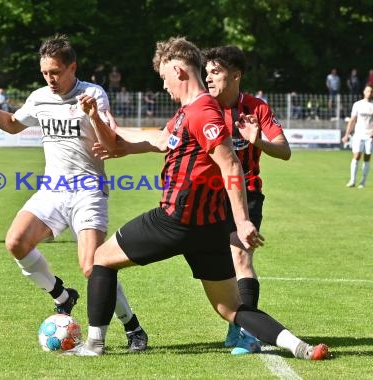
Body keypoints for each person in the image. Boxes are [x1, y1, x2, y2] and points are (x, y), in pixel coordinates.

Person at [67, 37, 329, 361]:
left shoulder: (202, 111)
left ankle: (94, 344)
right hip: (208, 230)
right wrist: (112, 133)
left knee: (100, 260)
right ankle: (300, 347)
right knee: (232, 308)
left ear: (178, 70)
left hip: (174, 220)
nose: (164, 86)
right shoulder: (186, 112)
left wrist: (244, 220)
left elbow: (230, 163)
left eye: (164, 78)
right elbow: (158, 140)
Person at [0, 35, 148, 352]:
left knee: (93, 267)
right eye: (45, 73)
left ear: (73, 67)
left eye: (55, 71)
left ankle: (133, 327)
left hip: (87, 190)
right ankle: (62, 296)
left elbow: (112, 144)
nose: (50, 79)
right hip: (52, 189)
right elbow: (13, 124)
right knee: (15, 241)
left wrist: (94, 114)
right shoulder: (40, 97)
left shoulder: (93, 94)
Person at [202, 45, 291, 354]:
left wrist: (258, 140)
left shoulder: (257, 108)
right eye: (207, 72)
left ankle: (248, 333)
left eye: (216, 72)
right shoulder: (203, 108)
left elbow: (285, 150)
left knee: (241, 258)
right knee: (219, 264)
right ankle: (236, 320)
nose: (208, 77)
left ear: (236, 75)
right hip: (209, 196)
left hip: (248, 193)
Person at [342, 84, 373, 189]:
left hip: (370, 136)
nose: (369, 93)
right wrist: (346, 134)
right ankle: (352, 180)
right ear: (364, 92)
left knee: (367, 157)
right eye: (367, 91)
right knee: (356, 156)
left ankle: (363, 181)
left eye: (371, 91)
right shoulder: (357, 105)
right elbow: (352, 120)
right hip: (358, 134)